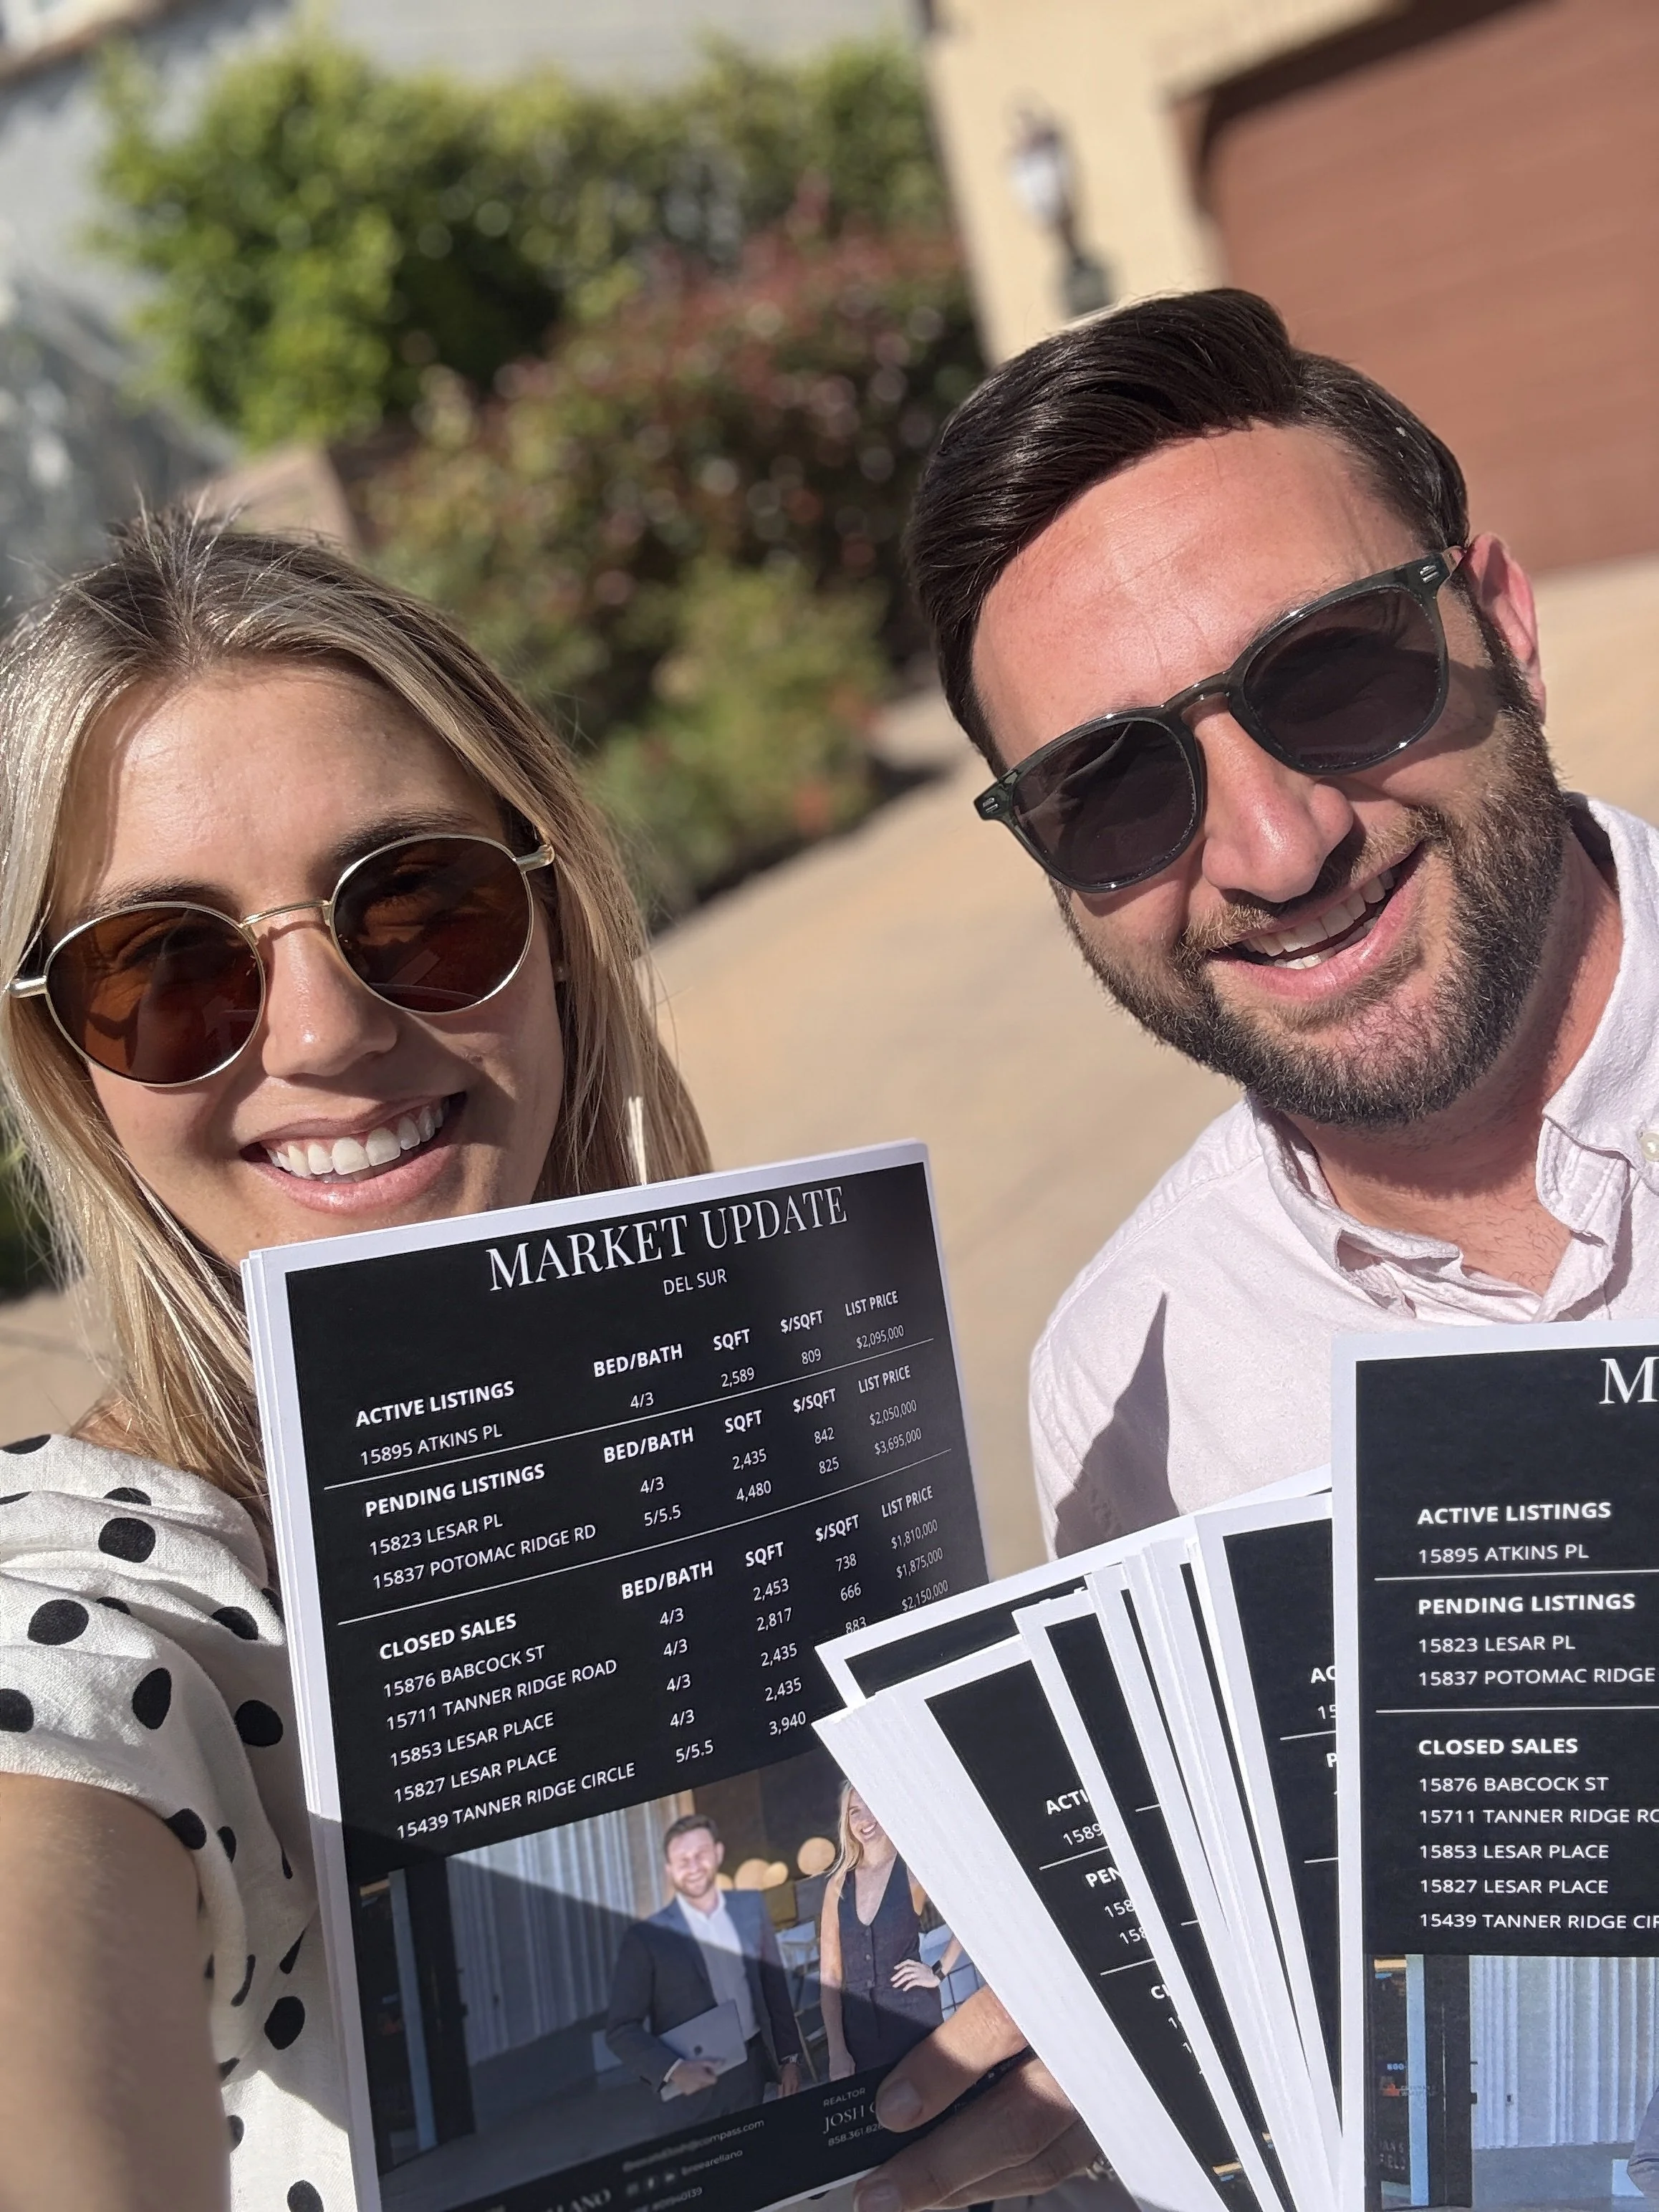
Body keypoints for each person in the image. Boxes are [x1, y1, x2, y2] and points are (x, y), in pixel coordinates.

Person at [850, 284, 1652, 2209]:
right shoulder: (1131, 1376)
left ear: (1503, 624)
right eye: (1115, 790)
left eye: (1333, 673)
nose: (1277, 848)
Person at [0, 509, 708, 2209]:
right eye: (164, 970)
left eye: (416, 902)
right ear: (61, 1060)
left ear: (555, 923)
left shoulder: (739, 1415)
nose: (324, 1031)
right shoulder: (102, 1621)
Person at [605, 1812, 802, 2117]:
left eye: (701, 1854)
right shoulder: (646, 1938)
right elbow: (621, 2029)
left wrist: (790, 2059)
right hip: (692, 2089)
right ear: (669, 1870)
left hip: (751, 2071)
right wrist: (673, 2070)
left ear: (718, 1853)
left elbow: (774, 1989)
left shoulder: (750, 1909)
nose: (694, 1866)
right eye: (683, 1860)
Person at [819, 1784, 963, 2079]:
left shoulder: (914, 1870)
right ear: (846, 1823)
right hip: (858, 2037)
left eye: (870, 1805)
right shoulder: (837, 1887)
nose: (864, 1820)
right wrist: (836, 2051)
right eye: (854, 1812)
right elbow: (830, 1977)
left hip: (916, 2024)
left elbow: (971, 1911)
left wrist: (938, 1971)